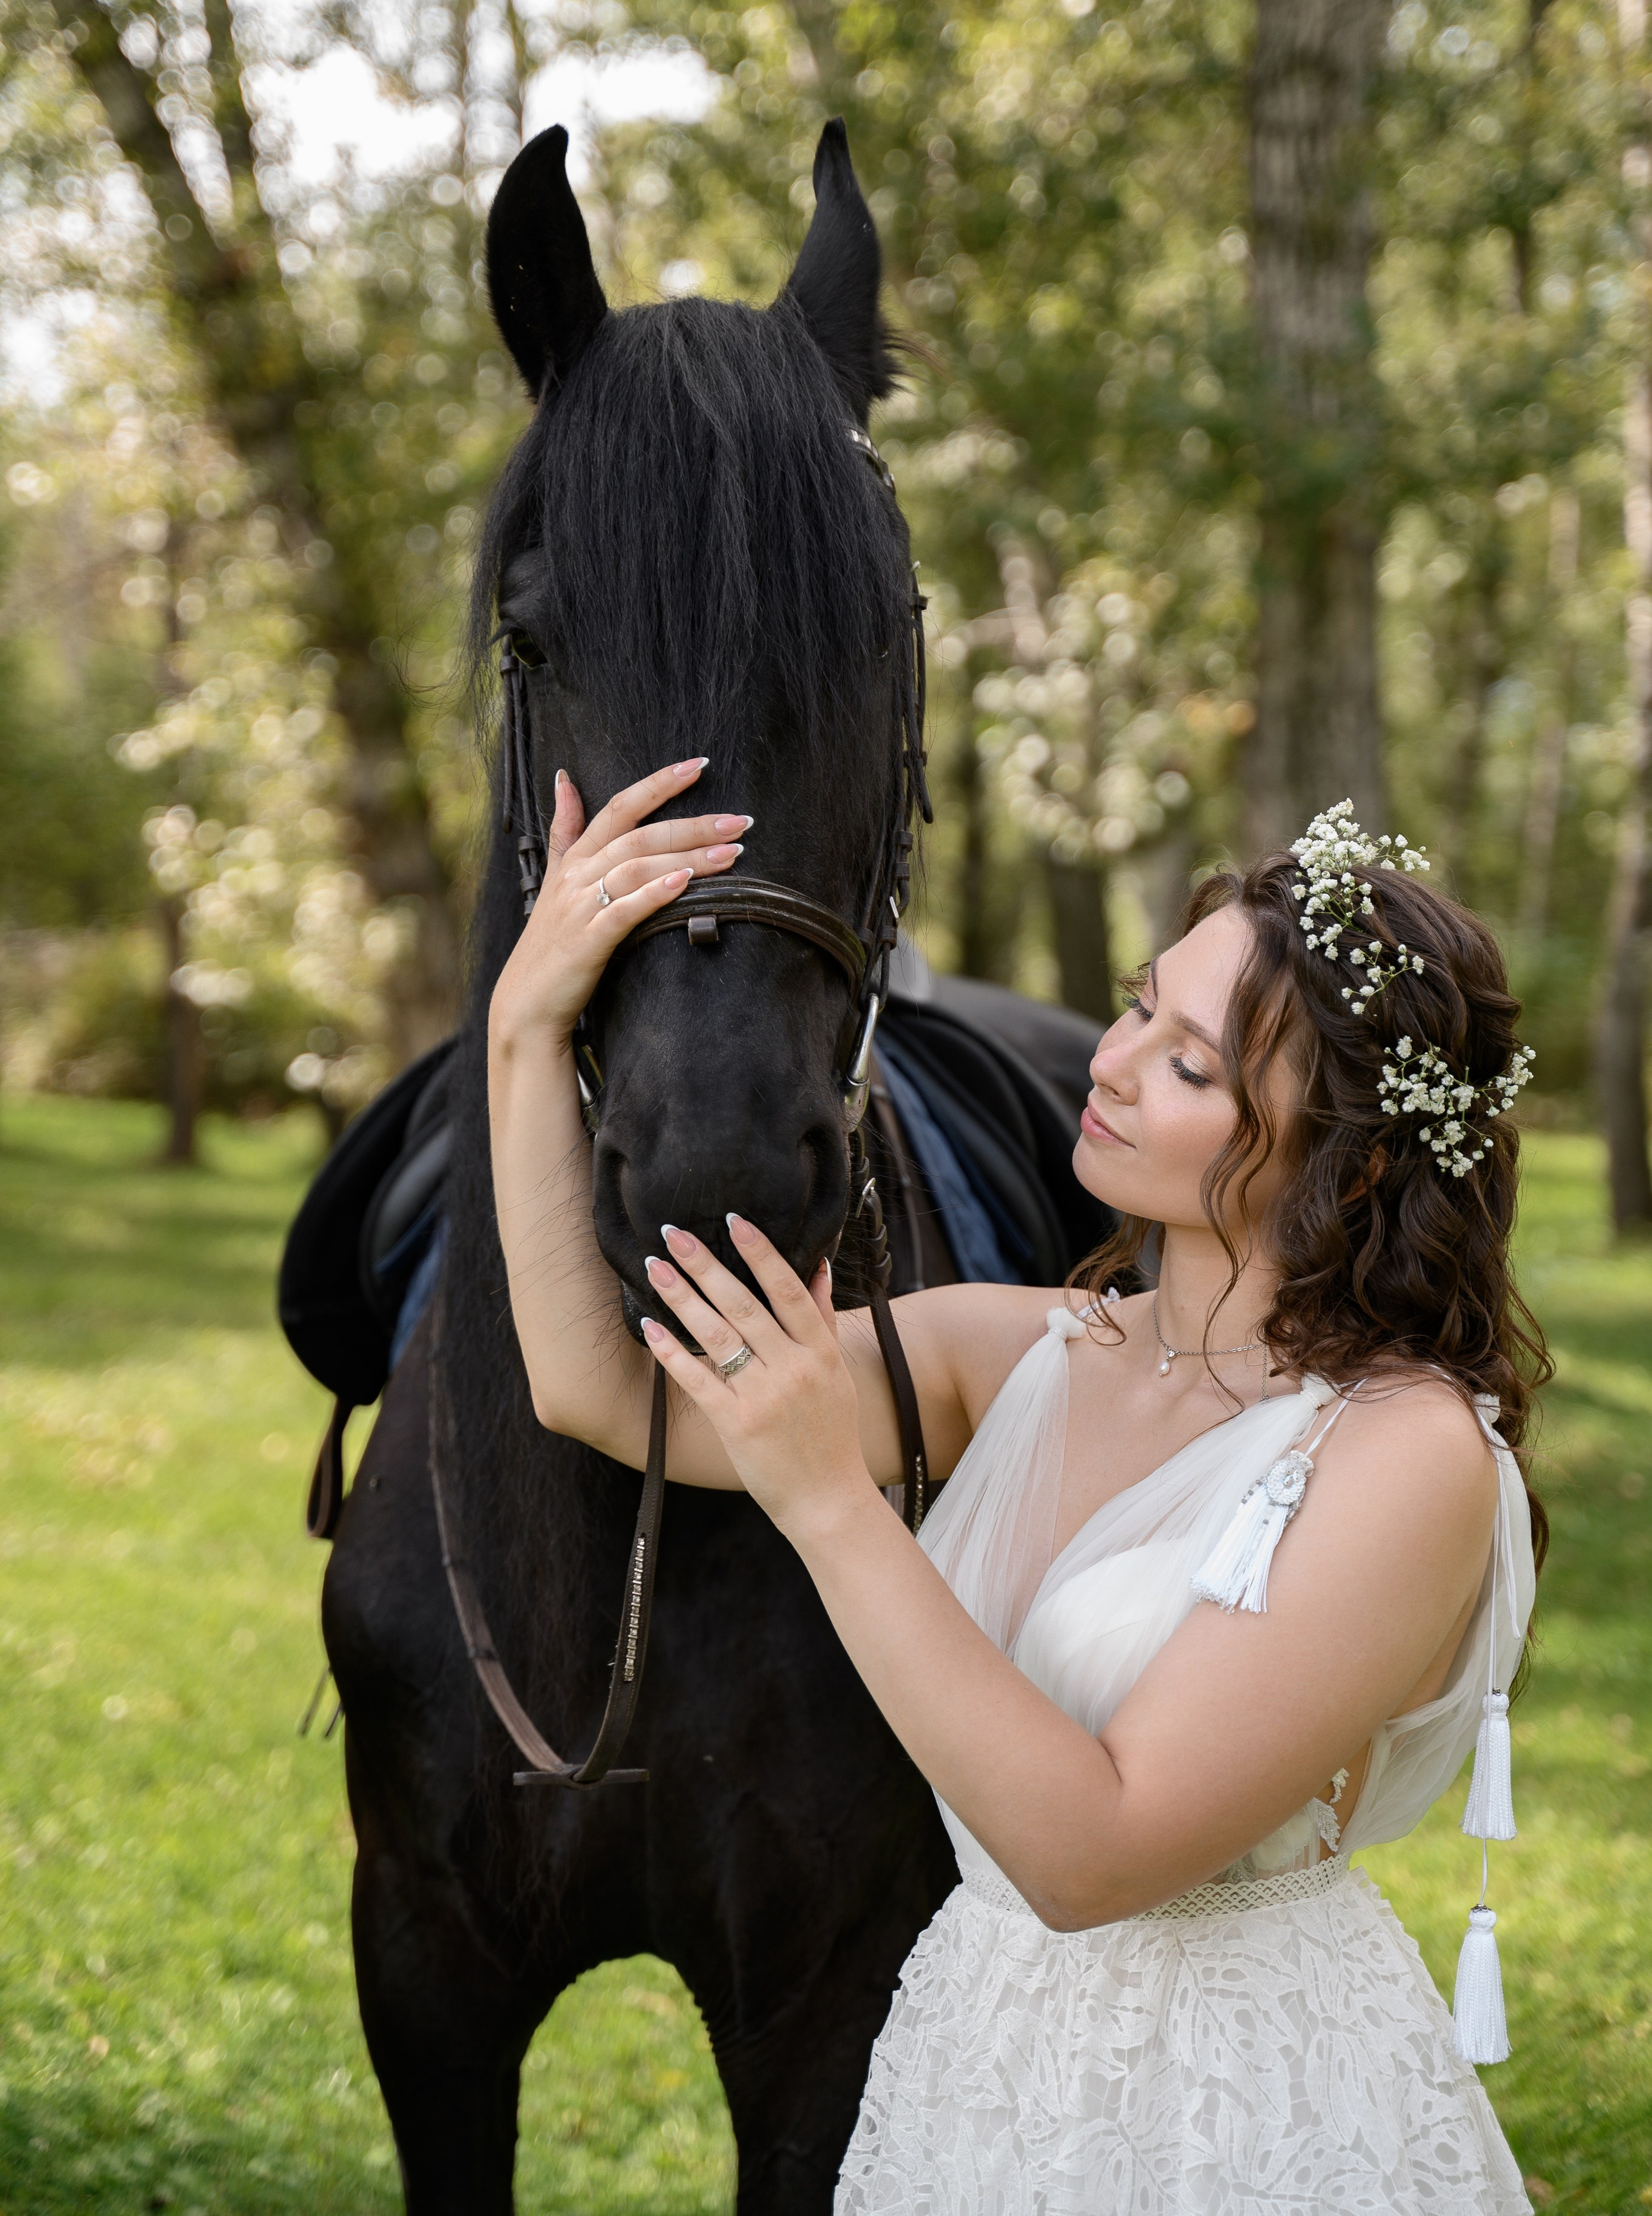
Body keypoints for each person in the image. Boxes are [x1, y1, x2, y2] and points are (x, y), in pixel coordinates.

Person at [489, 771, 1544, 2215]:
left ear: (1343, 1162)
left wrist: (828, 1503)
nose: (1108, 1062)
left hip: (1233, 2116)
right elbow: (597, 1391)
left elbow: (1090, 1854)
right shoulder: (1017, 1348)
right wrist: (526, 1024)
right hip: (978, 2068)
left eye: (1191, 1066)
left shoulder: (1402, 1451)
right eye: (1137, 1006)